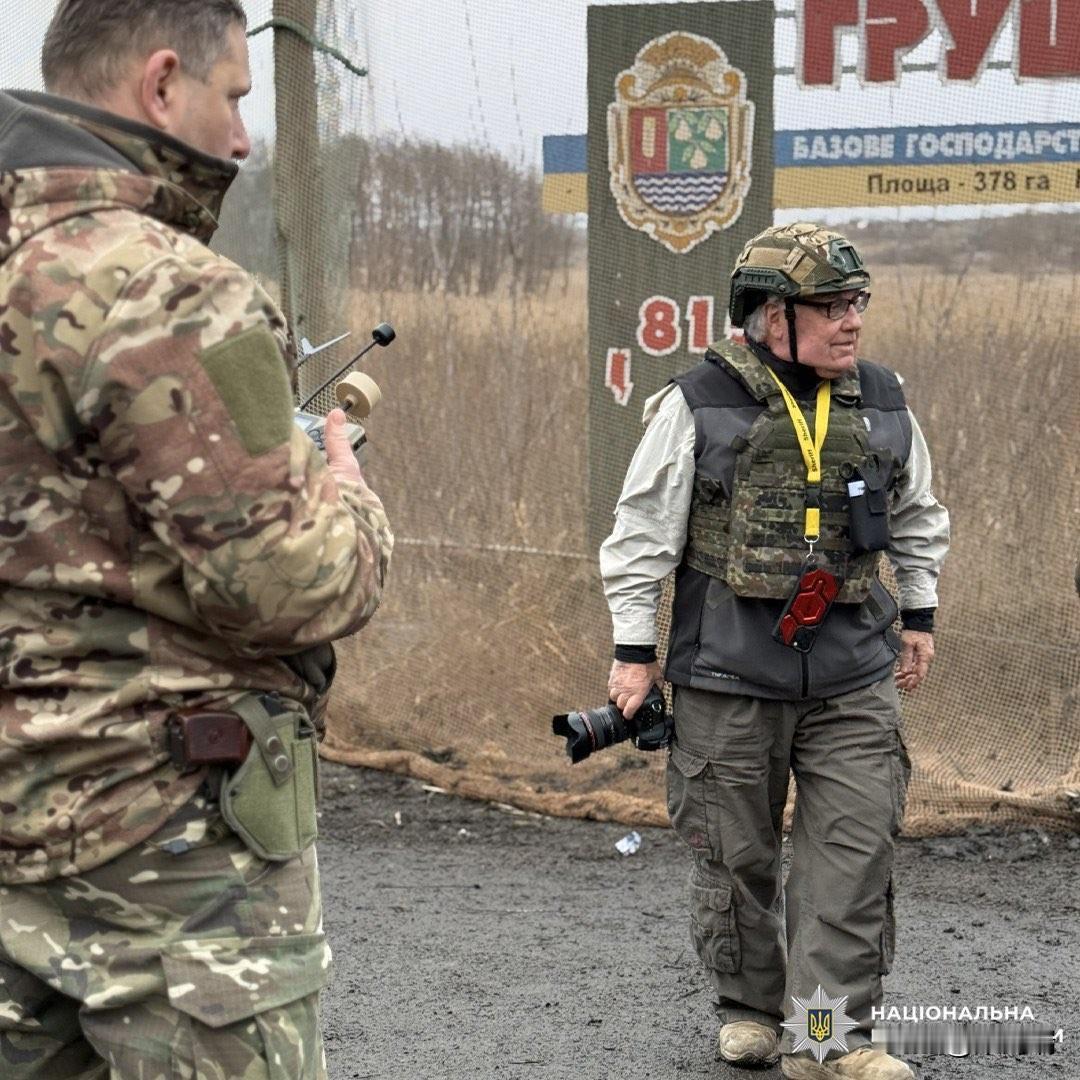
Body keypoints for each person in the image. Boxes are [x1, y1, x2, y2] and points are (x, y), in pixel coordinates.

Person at [0, 2, 392, 1076]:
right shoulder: (168, 286)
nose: (243, 139)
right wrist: (348, 495)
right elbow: (296, 583)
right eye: (234, 97)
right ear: (163, 82)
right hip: (170, 859)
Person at [600, 223, 949, 1080]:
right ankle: (752, 1009)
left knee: (850, 860)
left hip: (852, 673)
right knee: (736, 857)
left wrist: (920, 615)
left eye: (856, 302)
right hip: (727, 674)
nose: (852, 320)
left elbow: (917, 513)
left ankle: (826, 1042)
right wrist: (634, 652)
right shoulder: (696, 404)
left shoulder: (885, 400)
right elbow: (641, 533)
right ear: (769, 314)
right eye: (830, 306)